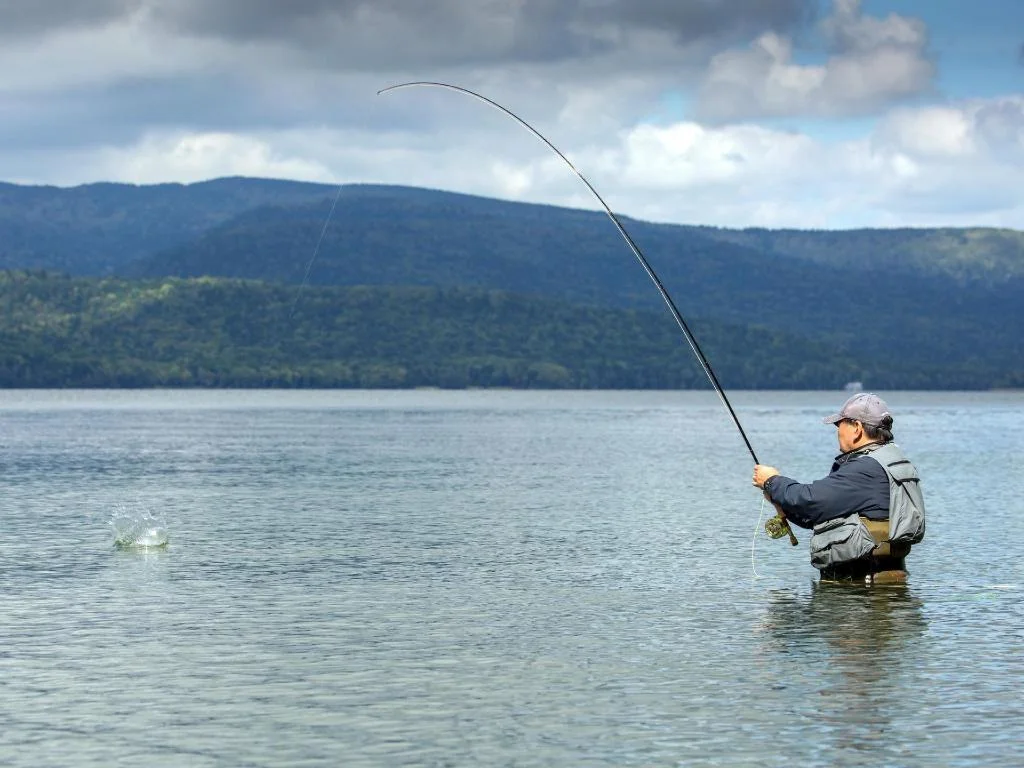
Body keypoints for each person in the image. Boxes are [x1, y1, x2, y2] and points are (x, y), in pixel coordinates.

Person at [751, 392, 926, 584]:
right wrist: (780, 499)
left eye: (839, 424)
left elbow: (809, 500)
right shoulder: (894, 462)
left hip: (860, 594)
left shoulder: (865, 469)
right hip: (887, 583)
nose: (837, 431)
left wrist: (772, 481)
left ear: (857, 428)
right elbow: (817, 515)